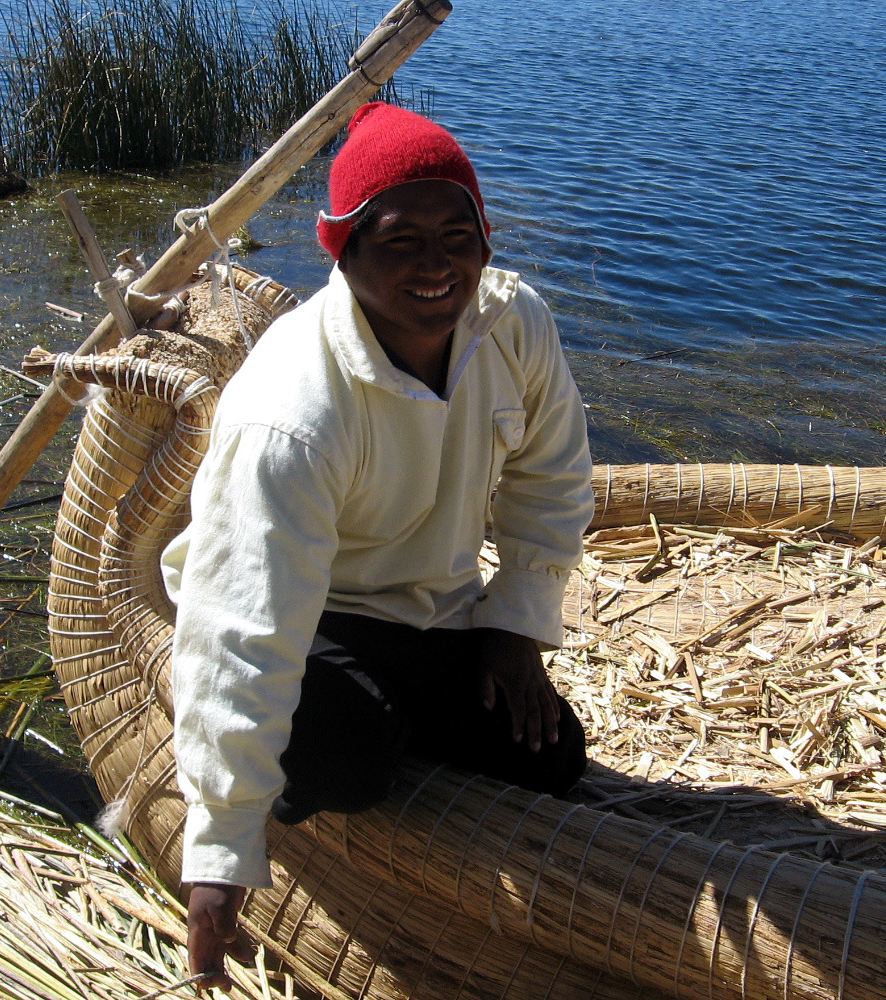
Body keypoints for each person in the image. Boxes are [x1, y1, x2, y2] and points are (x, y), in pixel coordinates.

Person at [160, 102, 595, 989]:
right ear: (342, 252)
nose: (437, 265)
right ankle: (332, 742)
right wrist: (220, 850)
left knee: (550, 762)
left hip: (425, 616)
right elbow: (247, 624)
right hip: (308, 609)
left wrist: (513, 630)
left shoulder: (514, 327)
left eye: (457, 234)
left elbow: (552, 481)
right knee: (350, 758)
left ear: (485, 237)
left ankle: (388, 713)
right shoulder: (294, 415)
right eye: (400, 241)